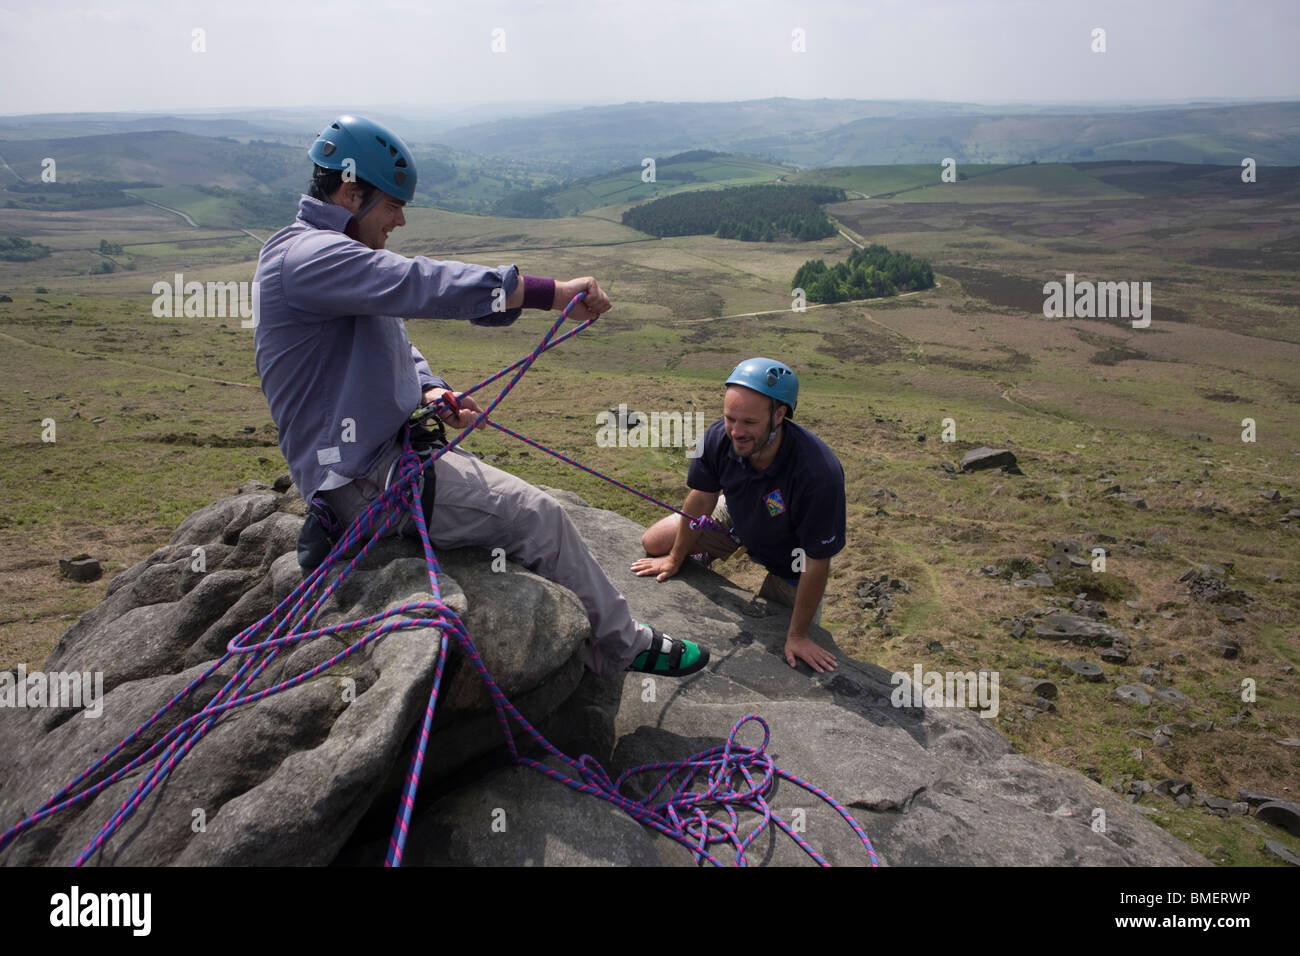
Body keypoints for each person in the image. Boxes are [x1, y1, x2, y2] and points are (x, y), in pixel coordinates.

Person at [253, 114, 707, 679]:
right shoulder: (311, 258)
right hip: (372, 480)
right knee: (541, 516)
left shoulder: (319, 257)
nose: (399, 219)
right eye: (392, 204)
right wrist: (549, 292)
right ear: (350, 191)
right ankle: (623, 643)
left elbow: (390, 337)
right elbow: (421, 283)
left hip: (380, 463)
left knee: (526, 512)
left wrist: (433, 388)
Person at [631, 359, 844, 673]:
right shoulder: (721, 437)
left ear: (780, 414)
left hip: (792, 560)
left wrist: (798, 635)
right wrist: (676, 557)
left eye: (749, 422)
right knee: (654, 541)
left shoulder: (818, 473)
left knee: (781, 647)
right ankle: (701, 552)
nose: (736, 431)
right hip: (738, 513)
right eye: (730, 418)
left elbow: (816, 561)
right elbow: (702, 497)